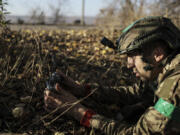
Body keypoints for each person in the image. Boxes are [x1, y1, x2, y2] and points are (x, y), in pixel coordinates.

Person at [44, 16, 180, 135]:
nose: (129, 64)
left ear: (157, 54)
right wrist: (82, 89)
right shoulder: (167, 68)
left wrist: (77, 112)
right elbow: (136, 93)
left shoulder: (174, 87)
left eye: (132, 56)